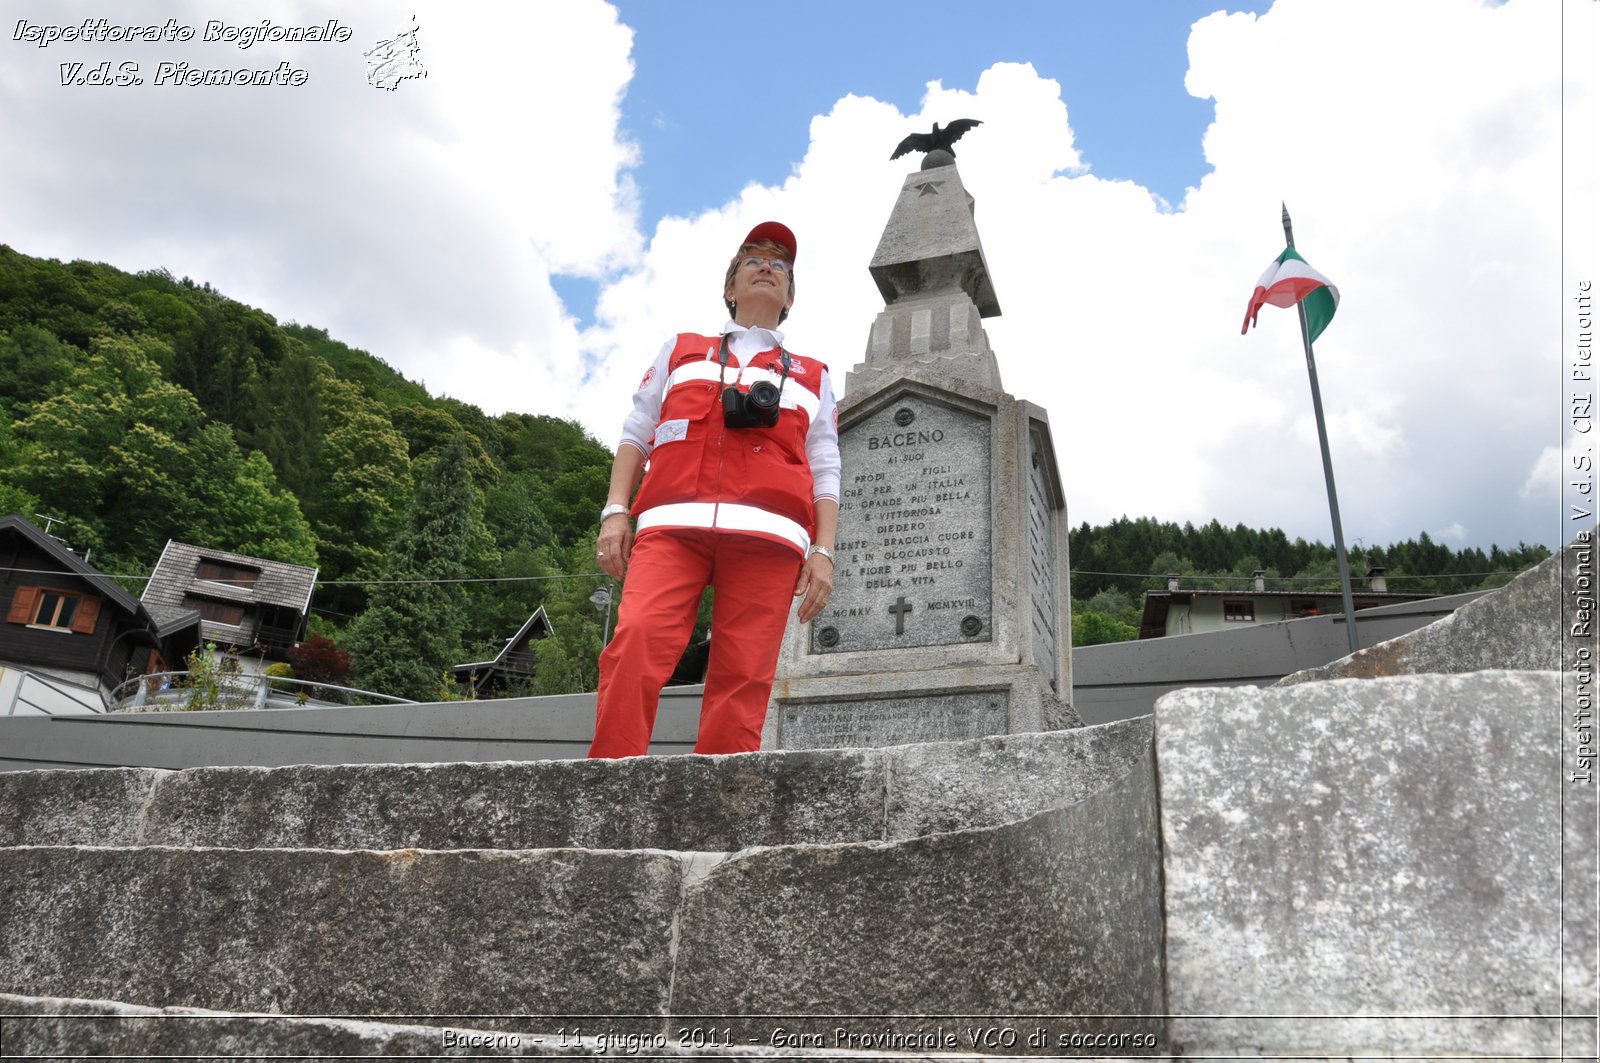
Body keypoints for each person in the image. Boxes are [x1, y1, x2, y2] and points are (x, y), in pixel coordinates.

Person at [588, 221, 840, 757]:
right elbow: (636, 433)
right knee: (634, 644)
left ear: (790, 295)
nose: (768, 267)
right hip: (672, 526)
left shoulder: (813, 375)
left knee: (744, 676)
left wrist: (823, 551)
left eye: (781, 265)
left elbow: (826, 467)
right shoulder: (681, 350)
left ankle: (717, 806)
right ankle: (609, 784)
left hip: (769, 540)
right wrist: (615, 510)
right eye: (753, 259)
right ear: (731, 287)